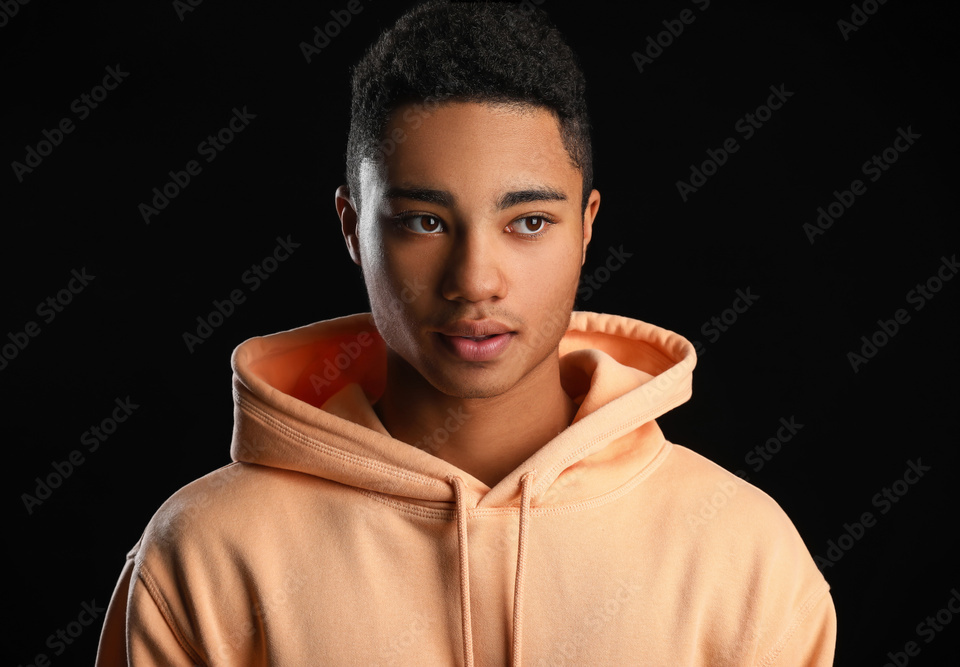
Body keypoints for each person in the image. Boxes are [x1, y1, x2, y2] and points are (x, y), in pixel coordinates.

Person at [96, 1, 836, 664]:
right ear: (352, 227)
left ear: (586, 228)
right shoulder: (204, 553)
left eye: (529, 222)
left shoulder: (744, 554)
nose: (476, 279)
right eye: (424, 220)